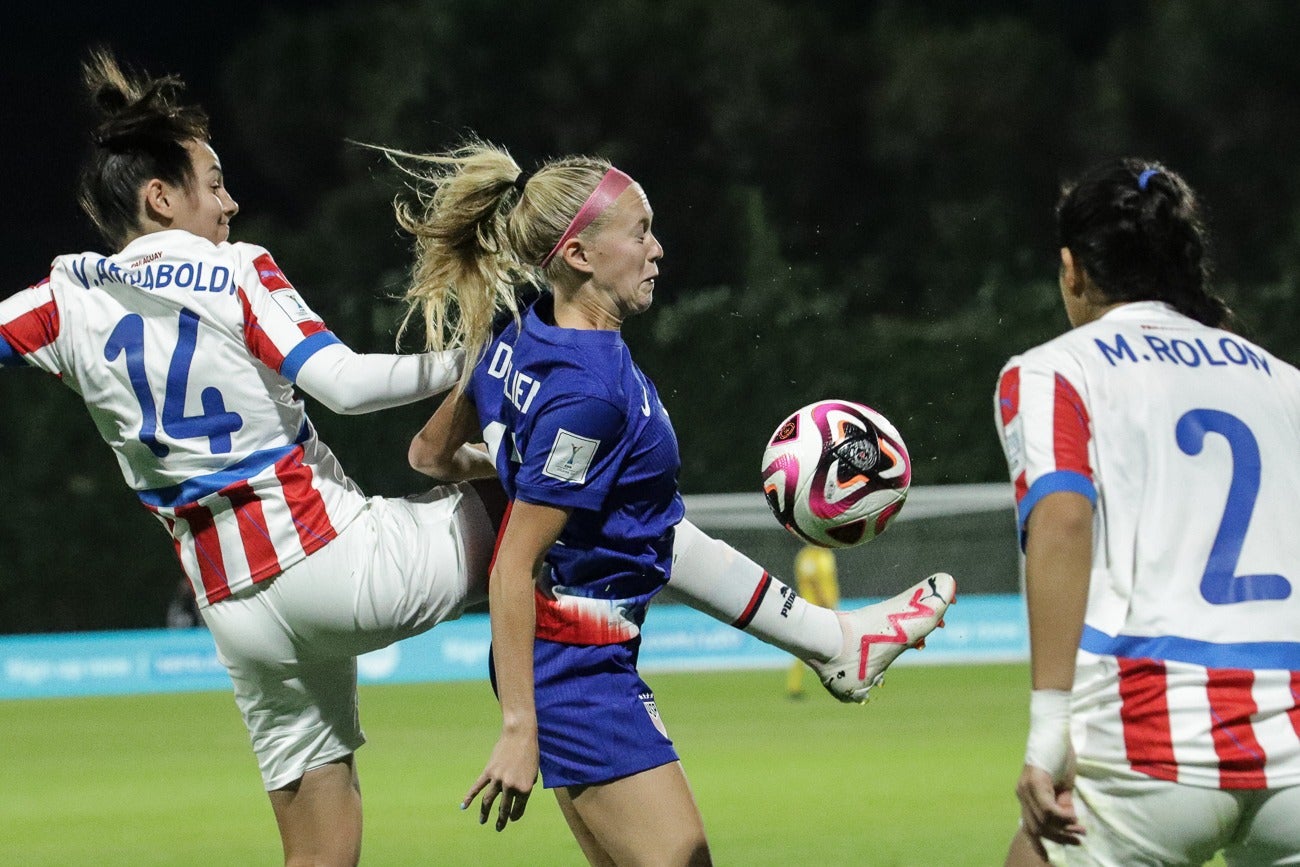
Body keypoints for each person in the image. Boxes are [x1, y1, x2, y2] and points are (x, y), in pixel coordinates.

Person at [0, 51, 507, 866]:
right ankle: (556, 724)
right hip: (327, 557)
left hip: (236, 612)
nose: (231, 203)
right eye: (214, 182)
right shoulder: (233, 269)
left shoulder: (62, 298)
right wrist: (473, 358)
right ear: (160, 198)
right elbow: (341, 383)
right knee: (546, 495)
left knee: (319, 850)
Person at [388, 141, 958, 864]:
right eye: (640, 231)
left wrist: (519, 467)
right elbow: (511, 566)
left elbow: (429, 454)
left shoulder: (520, 328)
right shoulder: (590, 391)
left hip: (574, 657)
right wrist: (518, 726)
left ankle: (833, 641)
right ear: (581, 256)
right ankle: (834, 642)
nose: (657, 248)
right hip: (575, 667)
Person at [995, 157, 1300, 866]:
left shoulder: (1053, 371)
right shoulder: (1285, 383)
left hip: (1151, 741)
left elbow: (1063, 520)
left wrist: (1048, 733)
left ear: (1072, 269)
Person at [785, 544, 840, 698]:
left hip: (819, 609)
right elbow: (816, 583)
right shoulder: (812, 557)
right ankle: (795, 687)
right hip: (814, 609)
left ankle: (795, 686)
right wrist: (827, 605)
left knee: (814, 648)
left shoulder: (816, 555)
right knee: (828, 647)